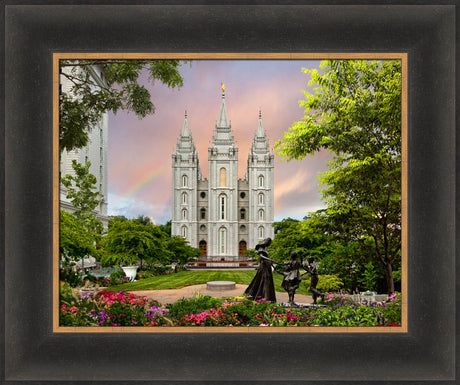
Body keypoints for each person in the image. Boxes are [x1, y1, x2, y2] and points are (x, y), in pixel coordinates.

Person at [244, 238, 277, 303]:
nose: (269, 245)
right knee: (263, 280)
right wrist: (269, 259)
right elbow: (261, 256)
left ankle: (267, 296)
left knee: (267, 281)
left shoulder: (265, 249)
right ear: (266, 242)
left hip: (267, 266)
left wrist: (270, 262)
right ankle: (262, 296)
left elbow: (266, 258)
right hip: (263, 267)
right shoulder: (261, 248)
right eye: (269, 243)